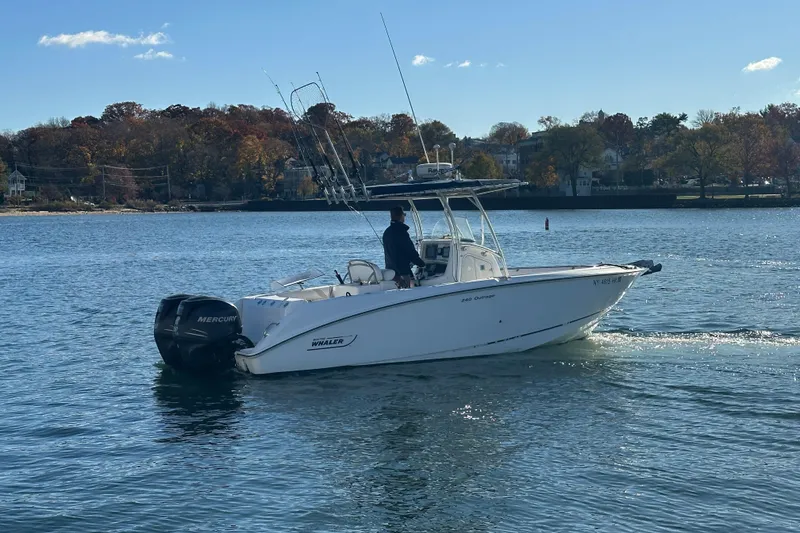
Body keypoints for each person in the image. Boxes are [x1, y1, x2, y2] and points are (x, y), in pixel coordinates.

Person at [383, 205, 425, 288]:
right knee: (407, 292)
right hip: (402, 271)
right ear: (401, 216)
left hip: (390, 270)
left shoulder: (387, 232)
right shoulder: (401, 232)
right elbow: (410, 250)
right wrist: (421, 263)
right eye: (404, 214)